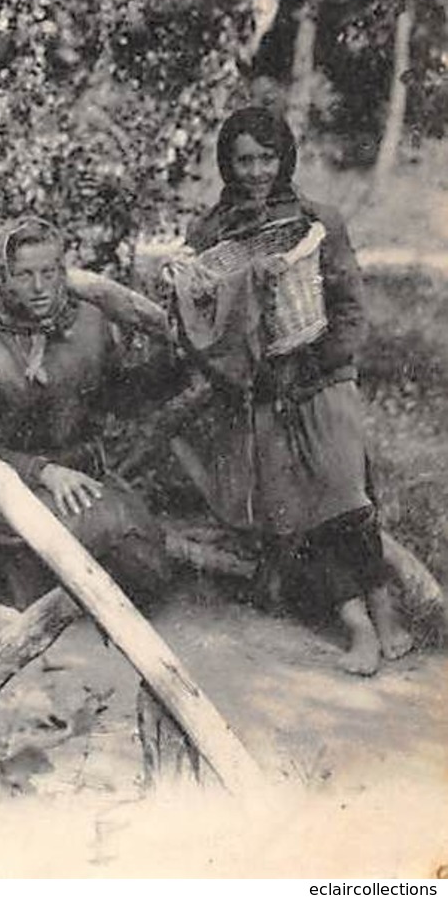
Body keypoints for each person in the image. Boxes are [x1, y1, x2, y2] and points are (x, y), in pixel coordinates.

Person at [172, 106, 413, 676]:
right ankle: (355, 623)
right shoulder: (212, 232)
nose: (256, 171)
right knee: (301, 507)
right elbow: (200, 321)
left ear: (285, 159)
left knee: (346, 494)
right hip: (261, 387)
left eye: (266, 158)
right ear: (226, 165)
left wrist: (326, 360)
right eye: (243, 160)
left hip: (320, 376)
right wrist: (194, 288)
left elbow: (350, 306)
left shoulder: (316, 220)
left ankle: (383, 608)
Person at [0, 217, 173, 608]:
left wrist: (164, 351)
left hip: (84, 479)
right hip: (11, 488)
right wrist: (45, 472)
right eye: (23, 275)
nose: (39, 288)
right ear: (1, 278)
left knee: (147, 564)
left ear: (62, 272)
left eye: (48, 273)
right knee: (63, 553)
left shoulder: (87, 321)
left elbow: (121, 399)